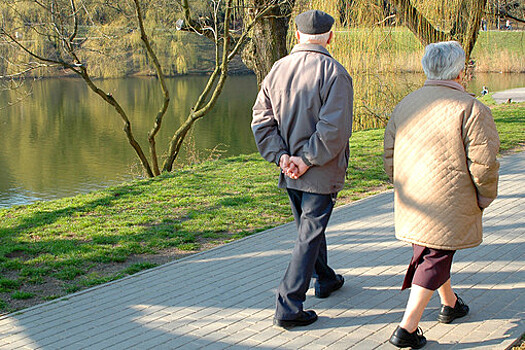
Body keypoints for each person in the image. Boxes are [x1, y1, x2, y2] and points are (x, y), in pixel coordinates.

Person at [383, 41, 500, 348]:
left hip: (414, 199)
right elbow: (484, 163)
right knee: (435, 256)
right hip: (451, 199)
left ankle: (450, 304)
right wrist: (485, 197)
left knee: (431, 251)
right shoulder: (472, 108)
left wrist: (402, 186)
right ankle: (406, 329)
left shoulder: (405, 104)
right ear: (460, 70)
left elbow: (389, 156)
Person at [251, 9, 353, 328]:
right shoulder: (335, 73)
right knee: (308, 235)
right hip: (318, 171)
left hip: (290, 170)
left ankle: (326, 278)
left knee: (309, 231)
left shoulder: (277, 70)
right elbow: (334, 129)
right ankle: (288, 305)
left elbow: (261, 121)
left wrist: (282, 158)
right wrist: (305, 159)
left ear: (297, 35)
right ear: (330, 37)